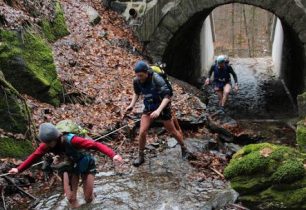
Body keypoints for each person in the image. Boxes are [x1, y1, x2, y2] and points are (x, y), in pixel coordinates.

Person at [8, 123, 123, 208]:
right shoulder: (45, 145)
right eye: (45, 143)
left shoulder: (73, 140)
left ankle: (91, 198)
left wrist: (113, 155)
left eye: (48, 142)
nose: (46, 145)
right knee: (71, 198)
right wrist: (18, 169)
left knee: (88, 198)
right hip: (69, 166)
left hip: (86, 163)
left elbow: (96, 145)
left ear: (55, 138)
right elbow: (34, 157)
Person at [125, 61, 192, 167]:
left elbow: (167, 96)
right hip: (149, 107)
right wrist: (131, 105)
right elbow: (137, 93)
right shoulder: (136, 81)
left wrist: (158, 111)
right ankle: (141, 156)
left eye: (141, 75)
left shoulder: (156, 79)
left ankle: (184, 148)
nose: (139, 78)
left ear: (146, 72)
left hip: (163, 107)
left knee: (172, 131)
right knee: (142, 131)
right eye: (137, 76)